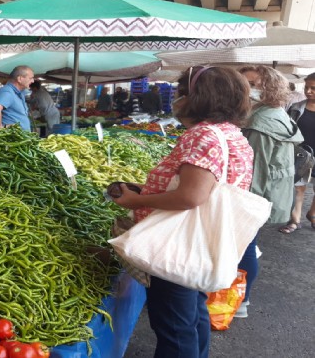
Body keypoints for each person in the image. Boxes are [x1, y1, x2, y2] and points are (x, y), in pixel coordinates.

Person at [112, 66, 255, 358]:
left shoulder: (202, 135)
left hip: (179, 243)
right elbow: (206, 186)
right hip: (204, 240)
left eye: (181, 93)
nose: (177, 99)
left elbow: (191, 195)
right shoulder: (233, 135)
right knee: (192, 313)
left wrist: (135, 202)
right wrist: (147, 189)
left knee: (174, 327)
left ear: (199, 96)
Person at [237, 65, 303, 318]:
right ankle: (240, 298)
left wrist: (245, 207)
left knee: (245, 247)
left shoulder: (260, 121)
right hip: (272, 192)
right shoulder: (276, 112)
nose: (247, 89)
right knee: (248, 247)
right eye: (244, 83)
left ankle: (240, 301)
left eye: (253, 84)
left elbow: (256, 170)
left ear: (269, 88)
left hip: (256, 195)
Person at [281, 73, 315, 233]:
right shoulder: (295, 108)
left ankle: (313, 214)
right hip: (300, 154)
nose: (308, 91)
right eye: (306, 87)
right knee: (298, 188)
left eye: (313, 88)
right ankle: (295, 220)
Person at [0, 65, 35, 131]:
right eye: (30, 78)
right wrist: (1, 129)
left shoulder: (18, 92)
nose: (33, 81)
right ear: (20, 79)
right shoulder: (7, 92)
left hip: (21, 138)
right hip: (13, 139)